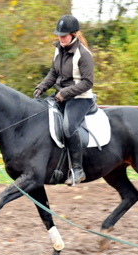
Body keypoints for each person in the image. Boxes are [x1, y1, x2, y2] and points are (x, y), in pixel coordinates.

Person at [33, 14, 94, 186]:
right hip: (61, 96)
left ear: (73, 34)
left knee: (68, 126)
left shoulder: (84, 54)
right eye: (58, 35)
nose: (60, 38)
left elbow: (88, 82)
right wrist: (41, 87)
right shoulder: (58, 49)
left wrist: (65, 93)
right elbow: (53, 73)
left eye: (64, 35)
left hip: (80, 98)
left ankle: (77, 170)